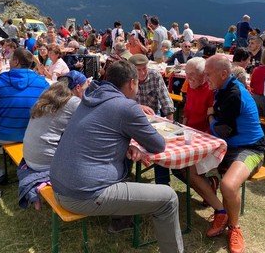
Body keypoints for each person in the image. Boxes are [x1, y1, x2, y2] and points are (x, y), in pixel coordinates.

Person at [50, 60, 184, 253]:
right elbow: (157, 144)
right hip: (82, 195)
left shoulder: (89, 97)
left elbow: (97, 134)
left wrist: (125, 144)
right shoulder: (126, 107)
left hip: (59, 185)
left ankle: (121, 221)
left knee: (126, 166)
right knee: (169, 198)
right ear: (131, 83)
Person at [188, 54, 265, 253]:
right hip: (226, 146)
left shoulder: (233, 93)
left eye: (209, 73)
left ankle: (234, 228)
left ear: (224, 73)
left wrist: (211, 115)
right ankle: (220, 211)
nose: (206, 77)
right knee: (189, 170)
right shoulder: (221, 89)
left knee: (228, 185)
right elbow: (220, 130)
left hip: (250, 148)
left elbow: (222, 130)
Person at [18, 71, 88, 209]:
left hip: (29, 157)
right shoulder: (74, 102)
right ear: (78, 87)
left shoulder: (47, 97)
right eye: (86, 88)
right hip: (46, 163)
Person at [0, 48, 49, 185]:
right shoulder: (42, 82)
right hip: (32, 132)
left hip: (3, 135)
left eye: (10, 58)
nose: (8, 60)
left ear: (16, 61)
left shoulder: (0, 81)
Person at [129, 54, 175, 185]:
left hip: (154, 118)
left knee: (158, 145)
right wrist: (137, 107)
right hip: (132, 118)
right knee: (125, 141)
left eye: (145, 68)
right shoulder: (126, 78)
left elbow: (165, 99)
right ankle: (124, 174)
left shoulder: (155, 76)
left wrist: (170, 124)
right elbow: (120, 101)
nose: (143, 72)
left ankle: (163, 182)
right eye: (139, 70)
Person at [182, 57, 213, 132]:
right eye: (186, 73)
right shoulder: (191, 84)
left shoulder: (211, 89)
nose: (188, 78)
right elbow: (187, 110)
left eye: (192, 74)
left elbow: (211, 121)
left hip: (202, 133)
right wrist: (182, 129)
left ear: (204, 74)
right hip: (189, 130)